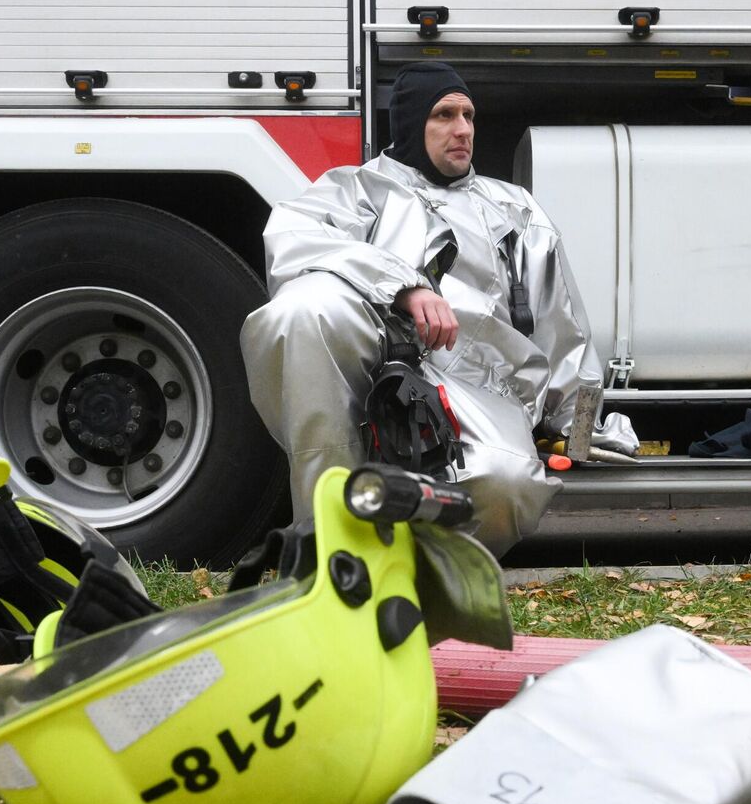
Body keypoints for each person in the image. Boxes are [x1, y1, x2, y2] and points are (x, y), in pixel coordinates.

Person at [241, 61, 635, 555]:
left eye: (469, 115)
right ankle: (329, 549)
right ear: (410, 125)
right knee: (302, 310)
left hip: (477, 383)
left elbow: (563, 328)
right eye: (445, 115)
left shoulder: (515, 211)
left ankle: (413, 566)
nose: (463, 130)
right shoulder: (356, 190)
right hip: (365, 363)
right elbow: (294, 240)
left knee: (504, 485)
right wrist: (404, 286)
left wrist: (579, 431)